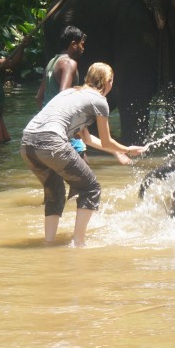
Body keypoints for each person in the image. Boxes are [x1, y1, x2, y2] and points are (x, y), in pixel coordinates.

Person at [19, 62, 145, 246]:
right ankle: (78, 243)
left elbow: (87, 139)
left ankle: (49, 243)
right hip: (51, 142)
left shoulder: (71, 93)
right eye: (112, 81)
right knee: (91, 188)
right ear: (107, 81)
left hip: (27, 143)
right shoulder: (100, 101)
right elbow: (107, 140)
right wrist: (127, 149)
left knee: (55, 191)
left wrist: (118, 152)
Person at [35, 26, 86, 108]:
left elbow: (39, 98)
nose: (83, 48)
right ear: (74, 44)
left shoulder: (51, 62)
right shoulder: (69, 63)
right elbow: (63, 96)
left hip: (46, 117)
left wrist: (47, 115)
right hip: (60, 118)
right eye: (82, 44)